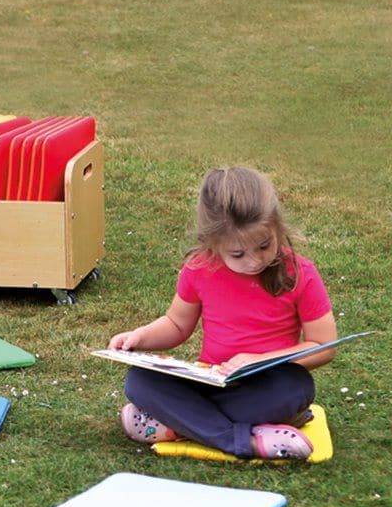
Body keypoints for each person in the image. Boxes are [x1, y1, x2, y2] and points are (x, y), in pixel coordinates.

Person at [108, 166, 337, 460]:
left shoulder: (299, 273)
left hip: (265, 388)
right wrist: (139, 337)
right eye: (238, 254)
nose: (254, 262)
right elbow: (177, 325)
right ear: (212, 244)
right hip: (212, 383)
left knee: (296, 388)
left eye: (264, 246)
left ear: (277, 227)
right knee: (139, 381)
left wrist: (260, 360)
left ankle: (179, 425)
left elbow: (323, 347)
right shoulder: (200, 268)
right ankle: (249, 439)